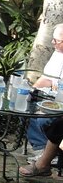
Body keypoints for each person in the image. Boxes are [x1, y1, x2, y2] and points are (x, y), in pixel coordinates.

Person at [25, 24, 63, 156]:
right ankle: (41, 149)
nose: (53, 43)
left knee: (41, 118)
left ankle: (45, 153)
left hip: (59, 101)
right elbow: (46, 77)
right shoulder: (57, 53)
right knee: (25, 109)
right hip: (50, 97)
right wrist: (32, 89)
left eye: (57, 41)